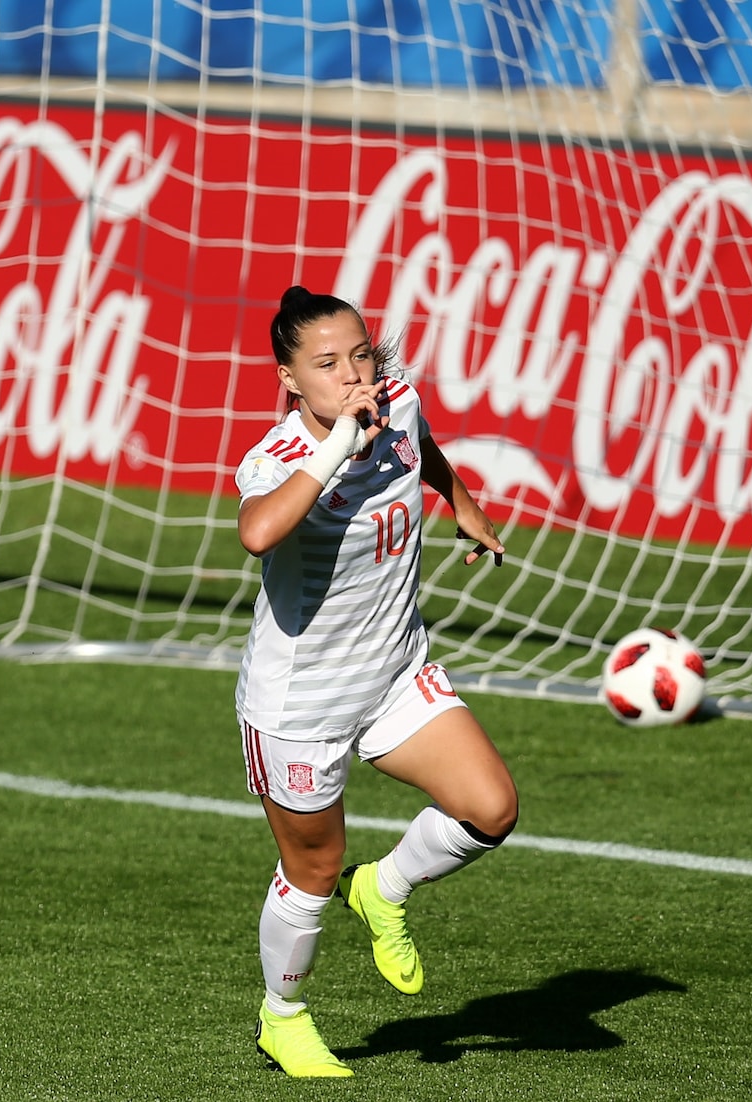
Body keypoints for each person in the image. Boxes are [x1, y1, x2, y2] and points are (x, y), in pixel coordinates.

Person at [235, 286, 519, 1077]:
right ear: (290, 379)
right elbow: (258, 532)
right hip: (302, 706)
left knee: (491, 808)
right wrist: (340, 447)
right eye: (326, 364)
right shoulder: (276, 459)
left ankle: (385, 889)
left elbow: (420, 446)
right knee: (314, 871)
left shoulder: (397, 402)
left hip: (396, 674)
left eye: (360, 354)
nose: (352, 374)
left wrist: (461, 503)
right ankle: (283, 1017)